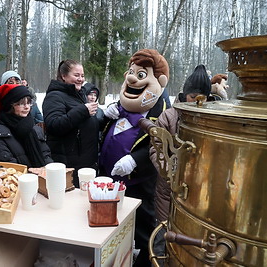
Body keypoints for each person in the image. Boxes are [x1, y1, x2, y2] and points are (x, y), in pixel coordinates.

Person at [99, 49, 168, 267]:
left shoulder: (162, 114)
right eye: (131, 72)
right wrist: (104, 116)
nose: (131, 78)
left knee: (143, 226)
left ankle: (146, 262)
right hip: (109, 183)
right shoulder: (120, 108)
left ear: (160, 81)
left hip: (138, 184)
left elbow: (161, 147)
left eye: (140, 75)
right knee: (112, 225)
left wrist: (135, 160)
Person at [149, 64, 212, 266]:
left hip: (199, 193)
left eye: (203, 97)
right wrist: (172, 173)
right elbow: (155, 150)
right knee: (163, 234)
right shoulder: (168, 117)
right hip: (168, 189)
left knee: (191, 241)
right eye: (194, 96)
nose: (198, 101)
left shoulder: (213, 120)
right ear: (185, 95)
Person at [42, 59, 99, 187]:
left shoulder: (79, 95)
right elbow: (54, 124)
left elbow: (86, 123)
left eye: (82, 76)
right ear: (63, 76)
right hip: (69, 163)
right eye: (76, 75)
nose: (80, 79)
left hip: (86, 162)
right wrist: (83, 110)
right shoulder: (54, 96)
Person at [0, 84, 53, 167]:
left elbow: (45, 155)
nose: (26, 107)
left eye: (29, 103)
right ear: (9, 106)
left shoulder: (34, 129)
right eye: (21, 103)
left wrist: (49, 170)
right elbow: (6, 167)